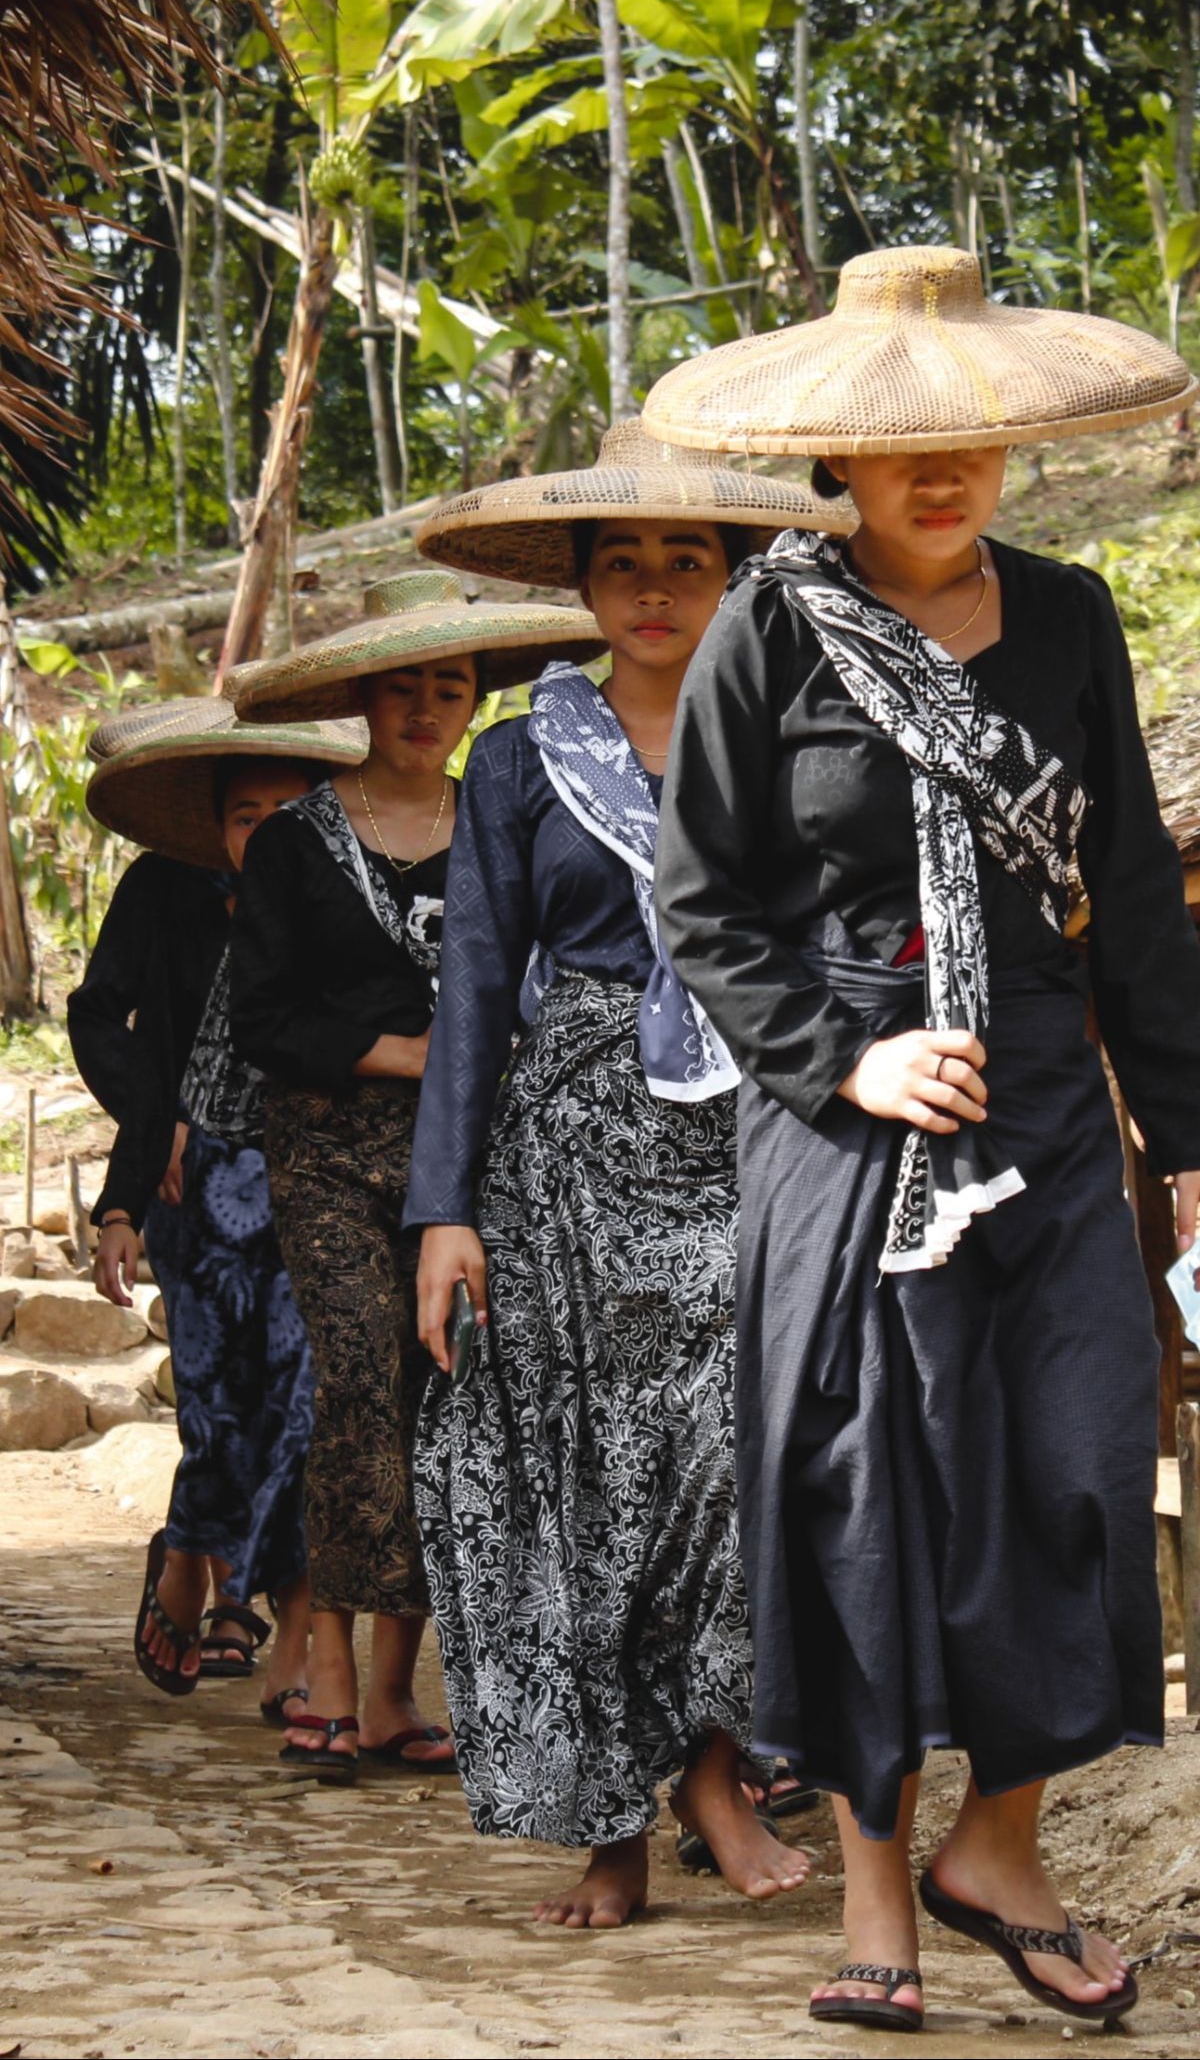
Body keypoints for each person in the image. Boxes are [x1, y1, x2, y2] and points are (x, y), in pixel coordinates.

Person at [648, 244, 1200, 2030]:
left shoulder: (1073, 617)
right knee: (859, 1486)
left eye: (968, 441)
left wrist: (1184, 1137)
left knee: (1083, 1461)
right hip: (846, 1114)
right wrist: (843, 1064)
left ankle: (1002, 1842)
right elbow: (706, 905)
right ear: (843, 460)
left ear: (1009, 447)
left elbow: (1130, 894)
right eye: (902, 449)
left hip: (1044, 1095)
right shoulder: (770, 626)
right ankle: (875, 1900)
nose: (940, 472)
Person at [407, 424, 849, 1927]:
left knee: (745, 1453)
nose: (654, 589)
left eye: (687, 561)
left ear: (733, 579)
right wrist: (443, 1211)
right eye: (622, 563)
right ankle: (615, 1819)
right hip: (566, 1167)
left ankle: (716, 1764)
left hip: (755, 1132)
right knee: (589, 1486)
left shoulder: (791, 731)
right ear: (585, 589)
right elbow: (474, 982)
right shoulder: (523, 756)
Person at [227, 572, 602, 1782]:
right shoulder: (294, 841)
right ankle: (326, 1658)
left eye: (450, 685)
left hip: (471, 1153)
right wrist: (422, 1053)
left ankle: (396, 1690)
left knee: (446, 1398)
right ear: (364, 698)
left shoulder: (509, 819)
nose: (429, 705)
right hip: (331, 1149)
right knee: (359, 1387)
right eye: (405, 685)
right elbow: (265, 1018)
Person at [78, 699, 364, 1706]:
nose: (268, 835)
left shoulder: (343, 900)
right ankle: (193, 1560)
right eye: (248, 814)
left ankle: (276, 1615)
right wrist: (151, 1140)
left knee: (299, 1407)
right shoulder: (163, 892)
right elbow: (99, 1016)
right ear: (214, 822)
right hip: (191, 1193)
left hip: (314, 1180)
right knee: (216, 1408)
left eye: (291, 813)